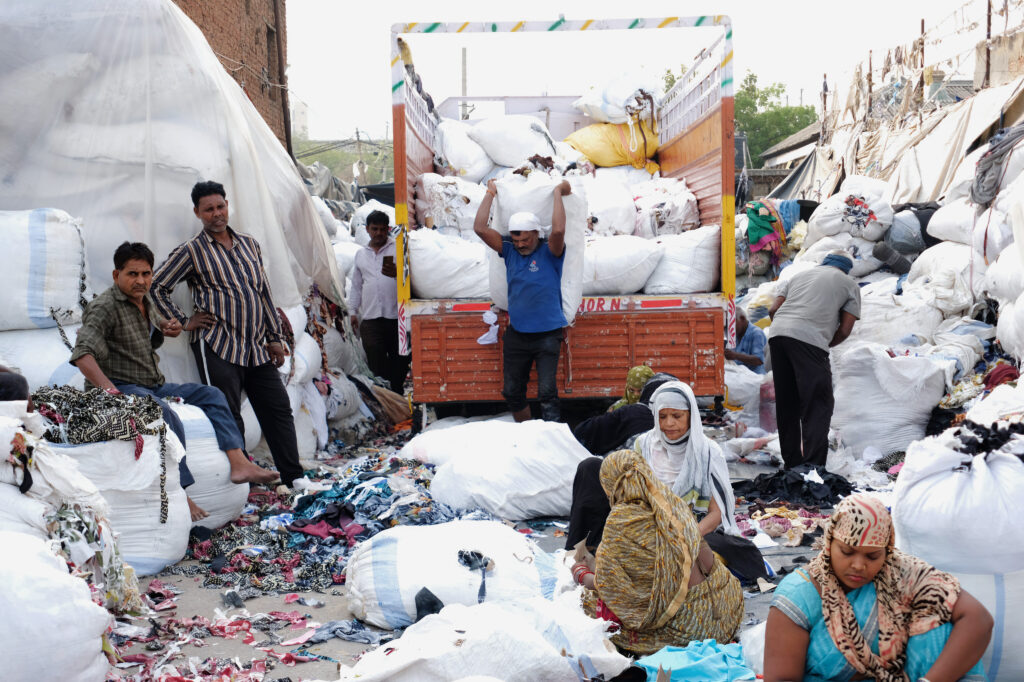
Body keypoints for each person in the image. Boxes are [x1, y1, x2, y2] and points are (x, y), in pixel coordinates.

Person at [71, 242, 278, 520]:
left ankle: (239, 462)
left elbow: (159, 327)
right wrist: (111, 392)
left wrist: (170, 328)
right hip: (124, 386)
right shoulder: (104, 307)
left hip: (151, 383)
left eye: (146, 274)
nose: (141, 281)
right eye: (132, 274)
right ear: (115, 275)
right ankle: (181, 492)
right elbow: (82, 354)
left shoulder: (145, 301)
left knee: (212, 394)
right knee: (165, 413)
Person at [151, 181, 303, 489]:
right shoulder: (192, 251)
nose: (217, 214)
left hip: (255, 345)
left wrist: (274, 336)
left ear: (227, 205)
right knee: (229, 413)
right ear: (197, 213)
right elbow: (157, 286)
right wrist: (184, 320)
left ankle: (294, 477)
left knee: (278, 408)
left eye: (220, 206)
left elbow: (263, 292)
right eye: (209, 209)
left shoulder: (249, 243)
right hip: (217, 345)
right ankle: (247, 485)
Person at [764, 494, 991, 682]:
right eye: (847, 552)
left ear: (887, 550)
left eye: (872, 556)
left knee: (936, 624)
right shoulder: (800, 593)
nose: (859, 565)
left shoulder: (903, 573)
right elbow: (782, 678)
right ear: (829, 543)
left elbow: (978, 619)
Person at [566, 381, 766, 583]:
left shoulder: (707, 452)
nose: (669, 423)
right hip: (647, 527)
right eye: (663, 416)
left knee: (700, 558)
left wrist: (682, 537)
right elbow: (630, 500)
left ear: (691, 416)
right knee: (590, 468)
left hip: (693, 531)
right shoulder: (643, 444)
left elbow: (716, 513)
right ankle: (582, 554)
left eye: (677, 416)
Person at [571, 449, 744, 656]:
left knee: (587, 603)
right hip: (726, 610)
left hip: (691, 630)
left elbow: (611, 588)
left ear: (609, 484)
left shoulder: (621, 521)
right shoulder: (671, 502)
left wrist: (581, 573)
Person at [474, 178, 570, 422]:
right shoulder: (508, 251)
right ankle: (527, 434)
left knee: (547, 393)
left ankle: (552, 440)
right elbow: (480, 228)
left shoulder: (550, 251)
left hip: (548, 334)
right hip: (518, 333)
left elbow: (558, 230)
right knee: (512, 392)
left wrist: (558, 192)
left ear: (537, 234)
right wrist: (490, 193)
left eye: (525, 239)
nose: (521, 245)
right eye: (516, 240)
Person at [768, 251, 860, 467]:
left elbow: (773, 309)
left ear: (824, 262)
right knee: (818, 404)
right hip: (810, 340)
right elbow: (845, 330)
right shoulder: (849, 284)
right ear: (845, 269)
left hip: (777, 335)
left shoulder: (798, 276)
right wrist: (821, 343)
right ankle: (812, 467)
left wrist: (787, 330)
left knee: (787, 403)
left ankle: (792, 463)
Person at [347, 210, 410, 394]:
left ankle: (396, 394)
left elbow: (410, 278)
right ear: (367, 229)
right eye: (374, 229)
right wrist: (352, 312)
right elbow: (356, 287)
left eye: (383, 229)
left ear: (388, 229)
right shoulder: (361, 254)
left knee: (400, 360)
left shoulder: (397, 249)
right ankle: (385, 396)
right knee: (375, 359)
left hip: (396, 317)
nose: (379, 233)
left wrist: (398, 274)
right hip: (371, 318)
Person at [572, 370, 674, 456]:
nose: (635, 395)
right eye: (631, 390)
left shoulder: (630, 413)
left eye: (640, 391)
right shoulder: (621, 409)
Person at [725, 306, 766, 374]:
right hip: (741, 375)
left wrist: (735, 355)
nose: (730, 328)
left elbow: (758, 360)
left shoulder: (756, 333)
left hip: (755, 377)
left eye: (732, 324)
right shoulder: (734, 335)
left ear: (742, 318)